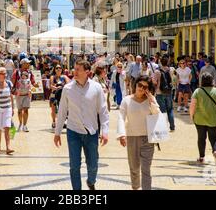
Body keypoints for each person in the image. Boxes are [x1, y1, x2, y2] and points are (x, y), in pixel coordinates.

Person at [54, 60, 109, 190]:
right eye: (75, 69)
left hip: (92, 132)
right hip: (73, 131)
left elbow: (103, 111)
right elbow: (62, 112)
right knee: (74, 165)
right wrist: (57, 133)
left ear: (87, 72)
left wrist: (105, 132)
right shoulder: (67, 89)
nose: (75, 72)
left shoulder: (96, 88)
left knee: (93, 164)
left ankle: (91, 181)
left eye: (78, 69)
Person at [117, 75, 160, 190]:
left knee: (146, 169)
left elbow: (157, 115)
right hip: (132, 138)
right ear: (135, 85)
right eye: (139, 85)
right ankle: (135, 188)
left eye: (145, 87)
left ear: (148, 89)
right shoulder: (126, 100)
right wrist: (122, 134)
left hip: (148, 139)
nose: (141, 88)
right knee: (134, 168)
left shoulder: (151, 100)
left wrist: (152, 101)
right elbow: (121, 117)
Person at [190, 73, 216, 165]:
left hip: (199, 118)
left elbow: (192, 105)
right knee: (214, 137)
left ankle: (202, 157)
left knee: (201, 138)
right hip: (214, 118)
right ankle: (215, 151)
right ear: (212, 81)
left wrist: (191, 115)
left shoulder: (197, 91)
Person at [0, 67, 15, 155]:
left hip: (7, 108)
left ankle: (8, 147)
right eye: (2, 73)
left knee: (7, 127)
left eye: (5, 73)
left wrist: (13, 107)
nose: (4, 75)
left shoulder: (8, 83)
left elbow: (11, 95)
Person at [12, 58, 37, 132]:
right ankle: (20, 124)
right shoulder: (16, 72)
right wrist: (13, 90)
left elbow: (33, 82)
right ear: (23, 64)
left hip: (27, 94)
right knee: (19, 110)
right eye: (27, 63)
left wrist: (36, 85)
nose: (29, 64)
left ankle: (25, 125)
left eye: (29, 63)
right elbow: (13, 81)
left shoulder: (30, 73)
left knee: (26, 110)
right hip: (19, 94)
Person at [153, 57, 175, 131]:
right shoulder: (171, 70)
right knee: (170, 109)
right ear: (168, 62)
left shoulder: (157, 71)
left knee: (162, 111)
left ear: (160, 62)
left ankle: (163, 127)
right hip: (169, 92)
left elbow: (154, 82)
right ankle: (172, 126)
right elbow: (174, 80)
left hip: (160, 92)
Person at [49, 65, 70, 129]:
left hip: (62, 95)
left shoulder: (64, 77)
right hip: (54, 94)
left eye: (60, 68)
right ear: (55, 69)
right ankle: (54, 122)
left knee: (64, 109)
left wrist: (62, 87)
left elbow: (68, 85)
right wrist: (56, 88)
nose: (58, 69)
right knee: (53, 109)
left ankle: (63, 122)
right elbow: (51, 86)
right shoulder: (52, 77)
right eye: (57, 68)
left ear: (62, 69)